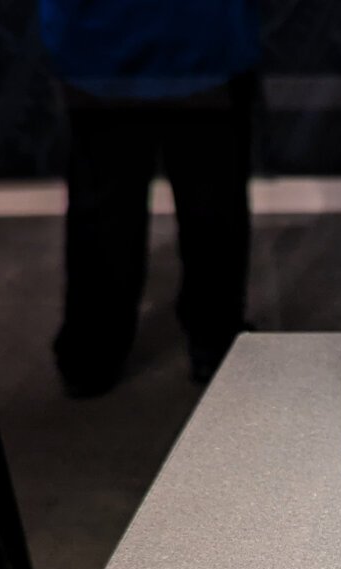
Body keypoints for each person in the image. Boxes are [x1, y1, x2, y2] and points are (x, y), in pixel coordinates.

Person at [40, 0, 260, 395]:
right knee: (212, 203)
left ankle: (93, 354)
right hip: (202, 37)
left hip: (99, 40)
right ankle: (216, 343)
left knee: (104, 206)